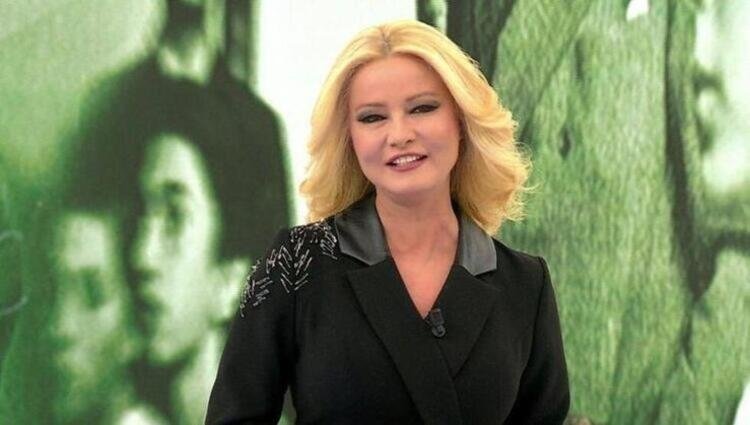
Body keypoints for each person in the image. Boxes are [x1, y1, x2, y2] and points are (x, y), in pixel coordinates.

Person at [206, 19, 569, 424]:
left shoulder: (526, 285)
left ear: (461, 121)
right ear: (350, 138)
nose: (399, 134)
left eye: (422, 108)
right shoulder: (294, 263)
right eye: (372, 117)